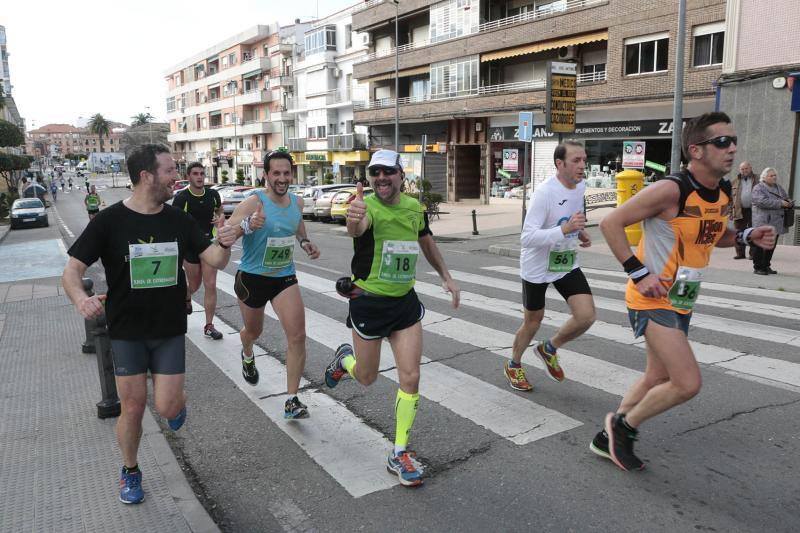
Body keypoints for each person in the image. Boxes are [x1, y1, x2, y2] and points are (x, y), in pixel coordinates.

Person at [592, 112, 776, 471]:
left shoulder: (722, 191)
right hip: (651, 298)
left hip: (681, 298)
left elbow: (714, 236)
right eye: (722, 142)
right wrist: (638, 273)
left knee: (657, 377)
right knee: (687, 382)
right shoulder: (671, 189)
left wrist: (744, 236)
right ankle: (622, 427)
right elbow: (610, 223)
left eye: (733, 140)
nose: (732, 148)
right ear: (696, 150)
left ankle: (604, 439)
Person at [61, 144, 236, 504]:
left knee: (169, 408)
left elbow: (215, 260)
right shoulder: (109, 222)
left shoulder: (179, 220)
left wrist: (226, 239)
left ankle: (176, 405)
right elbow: (72, 272)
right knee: (134, 406)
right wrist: (81, 298)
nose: (178, 177)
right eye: (171, 170)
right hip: (126, 331)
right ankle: (130, 470)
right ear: (146, 176)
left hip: (168, 329)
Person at [323, 149, 461, 487]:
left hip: (404, 305)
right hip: (369, 304)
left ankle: (399, 452)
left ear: (401, 175)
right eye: (375, 173)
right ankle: (346, 361)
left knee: (411, 377)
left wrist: (446, 275)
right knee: (367, 377)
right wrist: (353, 218)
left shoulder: (414, 208)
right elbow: (356, 229)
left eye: (388, 172)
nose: (381, 178)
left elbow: (425, 241)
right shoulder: (365, 207)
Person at [225, 150, 320, 420]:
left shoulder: (297, 202)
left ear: (292, 173)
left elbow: (297, 226)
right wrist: (249, 224)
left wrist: (305, 242)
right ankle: (246, 351)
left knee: (298, 335)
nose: (282, 178)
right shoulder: (253, 202)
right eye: (275, 173)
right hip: (252, 278)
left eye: (286, 173)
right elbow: (227, 234)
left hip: (284, 277)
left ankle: (292, 399)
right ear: (265, 175)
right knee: (254, 332)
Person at [505, 141, 596, 391]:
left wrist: (579, 233)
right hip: (537, 266)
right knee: (533, 321)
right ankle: (514, 364)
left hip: (564, 261)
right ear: (560, 164)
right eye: (576, 160)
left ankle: (549, 348)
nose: (582, 165)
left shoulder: (580, 187)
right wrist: (563, 230)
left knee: (586, 316)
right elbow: (527, 237)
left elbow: (571, 220)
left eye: (584, 160)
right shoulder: (545, 193)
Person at [172, 162, 225, 337]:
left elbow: (220, 211)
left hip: (209, 244)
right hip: (190, 247)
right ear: (189, 176)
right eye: (195, 173)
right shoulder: (182, 198)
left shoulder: (213, 194)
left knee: (210, 285)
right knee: (194, 285)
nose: (200, 177)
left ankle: (209, 326)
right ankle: (186, 297)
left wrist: (220, 219)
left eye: (202, 173)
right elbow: (173, 222)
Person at [751, 167, 793, 275]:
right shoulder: (758, 188)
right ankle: (758, 267)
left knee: (771, 245)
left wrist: (788, 202)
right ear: (764, 177)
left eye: (775, 175)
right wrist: (780, 203)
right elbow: (761, 202)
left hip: (776, 222)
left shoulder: (778, 187)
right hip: (762, 222)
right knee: (760, 245)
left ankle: (766, 265)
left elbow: (785, 197)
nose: (774, 177)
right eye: (771, 175)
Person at [731, 161, 757, 259]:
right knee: (739, 233)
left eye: (746, 168)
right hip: (739, 210)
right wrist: (730, 212)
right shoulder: (735, 181)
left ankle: (753, 254)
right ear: (739, 170)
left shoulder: (758, 179)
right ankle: (740, 254)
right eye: (742, 169)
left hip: (754, 210)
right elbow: (730, 199)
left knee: (753, 232)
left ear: (750, 168)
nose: (744, 170)